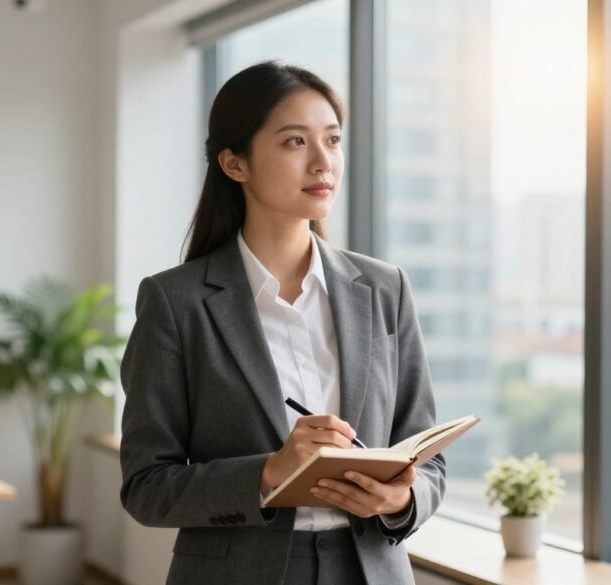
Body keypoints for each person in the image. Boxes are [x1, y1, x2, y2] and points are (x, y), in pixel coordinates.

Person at [119, 61, 445, 585]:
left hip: (369, 570)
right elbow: (146, 487)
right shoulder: (175, 302)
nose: (323, 162)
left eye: (333, 140)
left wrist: (401, 498)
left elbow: (427, 457)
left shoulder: (385, 289)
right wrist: (270, 470)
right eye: (295, 142)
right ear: (235, 164)